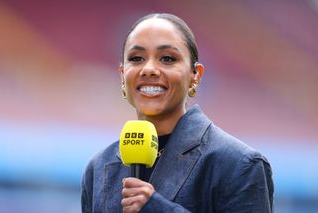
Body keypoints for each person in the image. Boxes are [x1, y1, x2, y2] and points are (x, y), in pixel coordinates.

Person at [81, 13, 274, 213]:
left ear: (195, 76)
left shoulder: (239, 164)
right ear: (122, 74)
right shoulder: (98, 168)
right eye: (136, 58)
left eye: (167, 58)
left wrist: (157, 208)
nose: (148, 69)